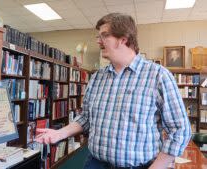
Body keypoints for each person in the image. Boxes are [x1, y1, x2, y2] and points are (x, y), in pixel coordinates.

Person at [35, 13, 191, 169]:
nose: (98, 41)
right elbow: (86, 119)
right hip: (95, 163)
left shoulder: (159, 76)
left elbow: (180, 130)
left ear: (123, 39)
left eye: (104, 35)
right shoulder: (97, 78)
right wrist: (58, 134)